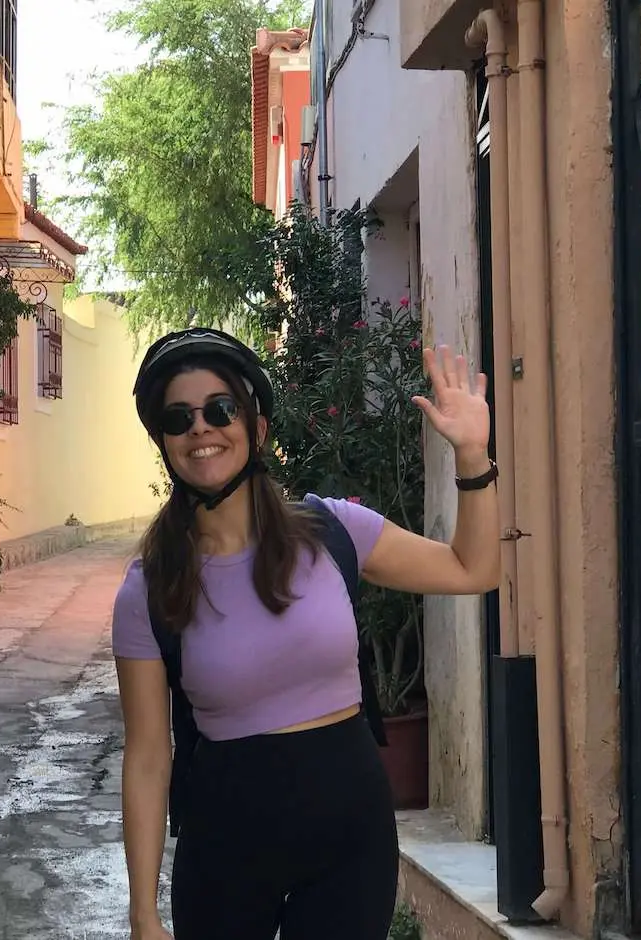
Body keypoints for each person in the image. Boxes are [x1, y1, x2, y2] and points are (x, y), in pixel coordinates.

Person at [111, 327, 501, 940]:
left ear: (257, 426)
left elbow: (472, 568)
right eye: (178, 418)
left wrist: (473, 458)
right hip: (224, 842)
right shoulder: (150, 587)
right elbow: (148, 757)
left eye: (220, 410)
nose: (201, 430)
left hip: (349, 835)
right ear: (163, 442)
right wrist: (142, 915)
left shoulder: (333, 531)